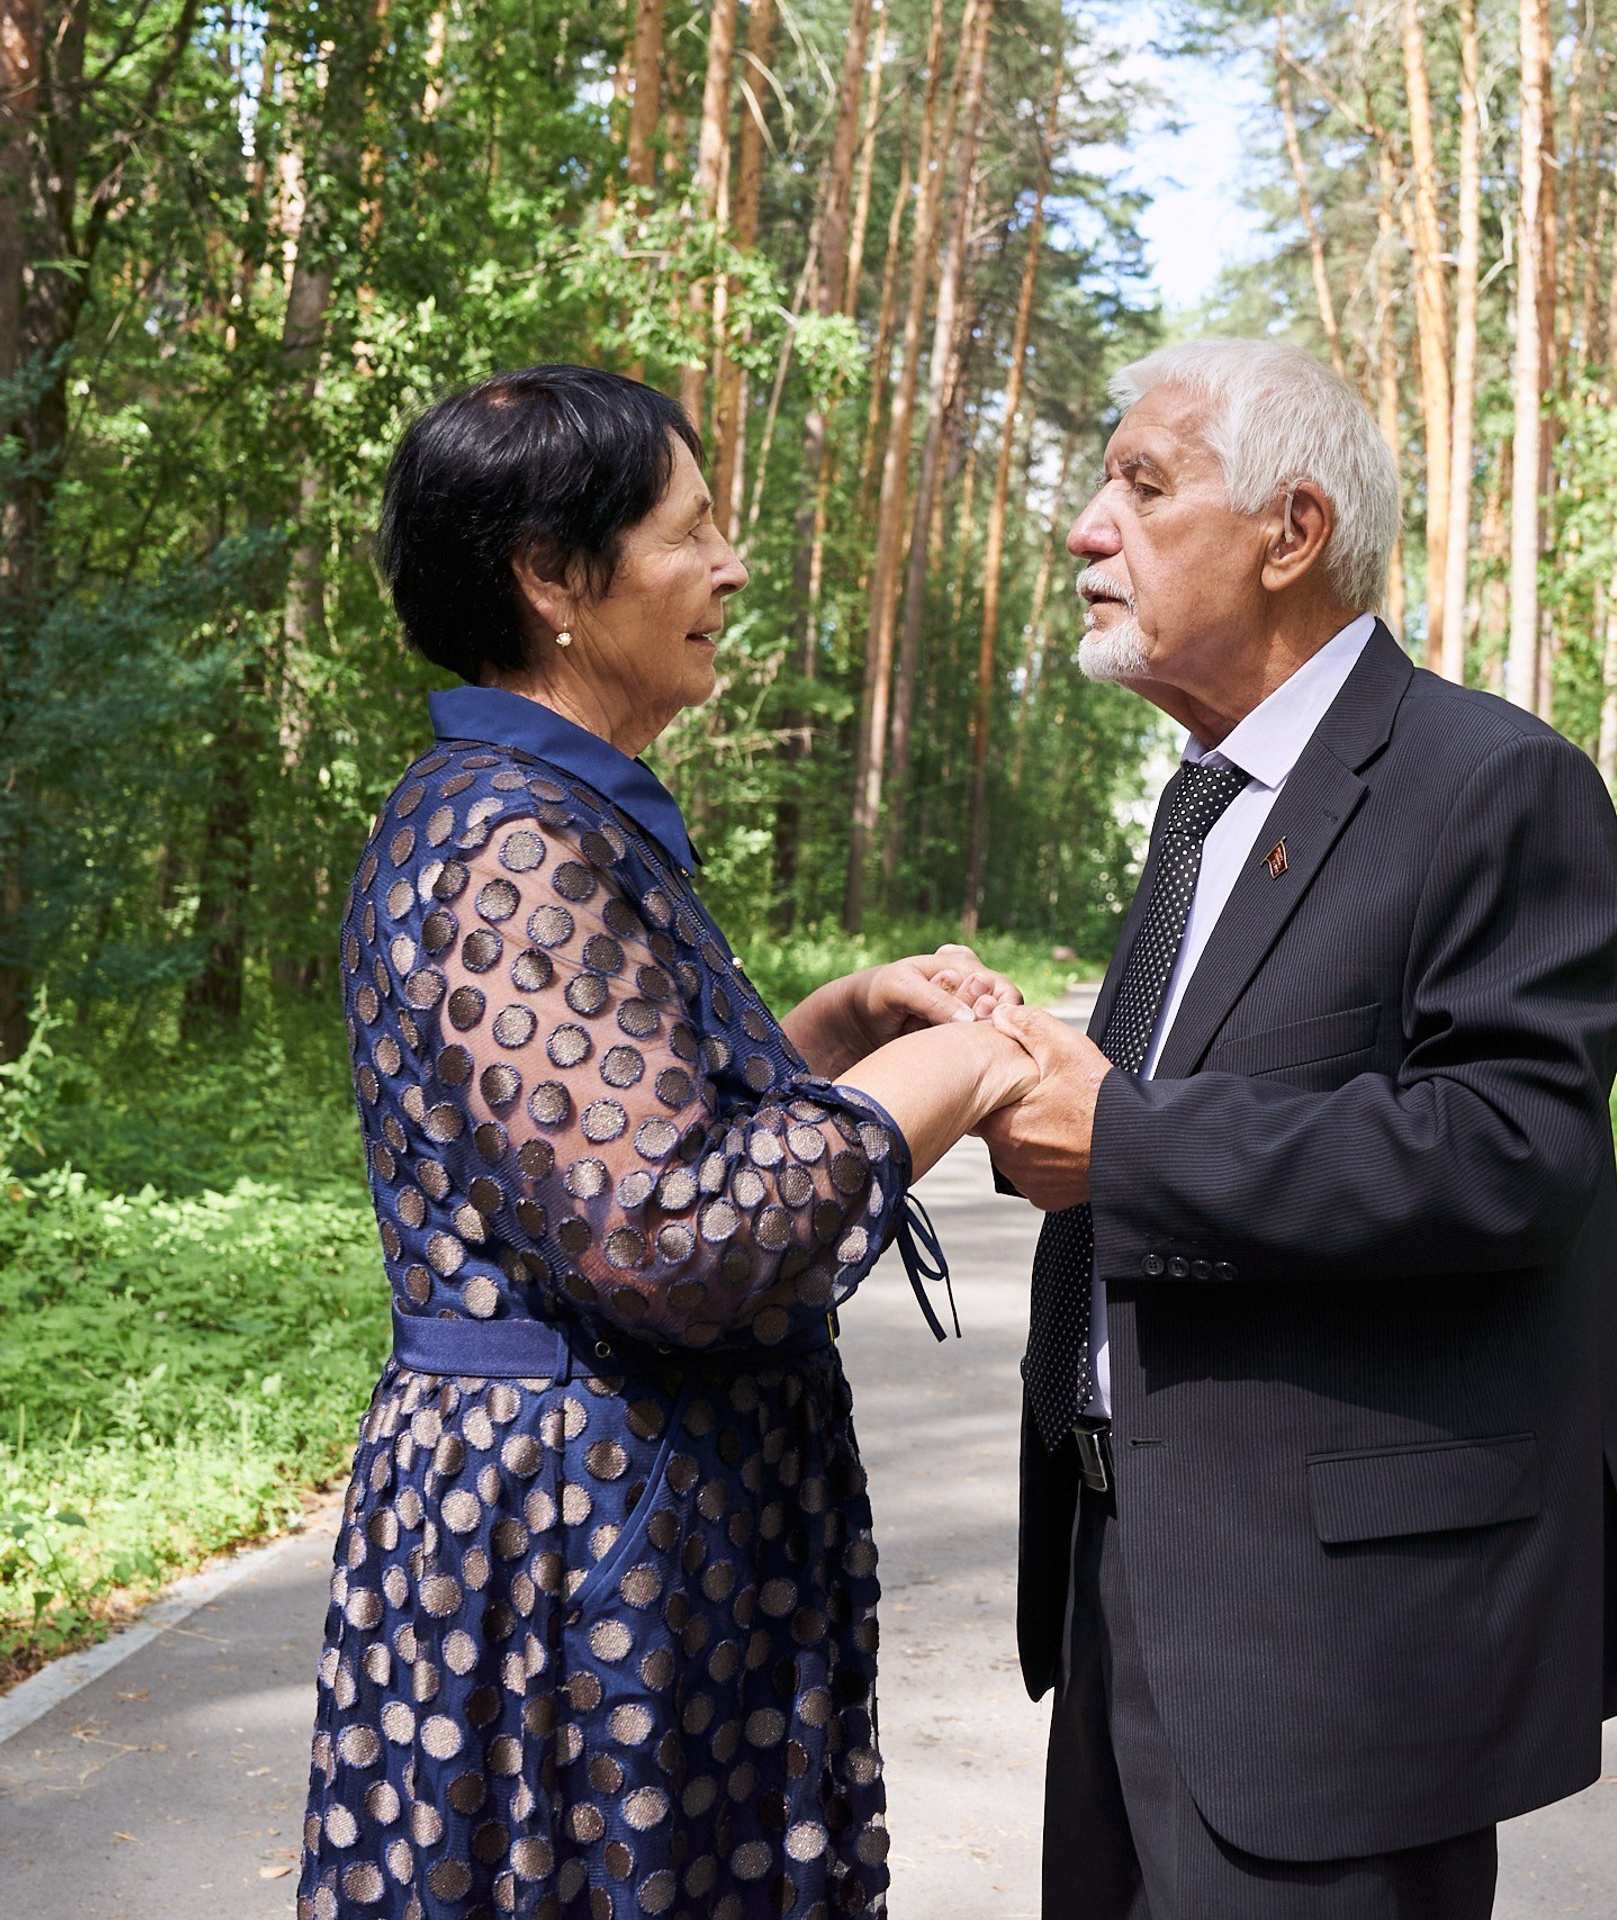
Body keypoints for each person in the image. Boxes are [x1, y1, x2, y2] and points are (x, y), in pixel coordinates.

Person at [297, 364, 1038, 1920]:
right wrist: (954, 1074)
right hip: (581, 1564)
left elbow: (593, 1140)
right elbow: (666, 1237)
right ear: (554, 579)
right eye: (689, 532)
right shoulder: (518, 841)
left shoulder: (550, 816)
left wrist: (833, 1032)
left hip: (607, 1534)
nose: (733, 565)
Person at [980, 337, 1617, 1920]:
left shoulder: (1492, 782)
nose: (1087, 526)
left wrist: (1131, 1143)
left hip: (1334, 1657)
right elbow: (1210, 1081)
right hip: (1126, 1581)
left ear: (1291, 534)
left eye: (1143, 486)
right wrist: (1033, 1070)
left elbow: (1513, 1149)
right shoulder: (1205, 799)